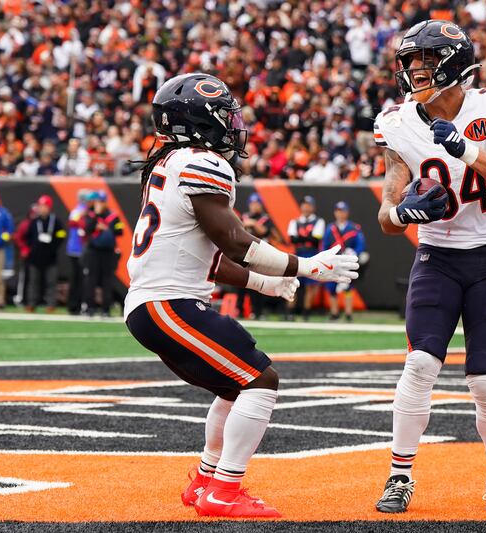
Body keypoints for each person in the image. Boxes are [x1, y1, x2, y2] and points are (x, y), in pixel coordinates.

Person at [124, 73, 357, 518]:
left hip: (160, 303)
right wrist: (306, 266)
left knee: (234, 387)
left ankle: (207, 482)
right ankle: (224, 492)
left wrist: (266, 283)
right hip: (167, 304)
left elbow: (202, 257)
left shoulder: (169, 164)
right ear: (199, 122)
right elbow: (235, 241)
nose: (233, 126)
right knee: (260, 380)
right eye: (224, 117)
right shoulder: (200, 163)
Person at [373, 20, 486, 513]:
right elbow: (385, 214)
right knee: (419, 365)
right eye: (411, 62)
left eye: (426, 60)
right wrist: (403, 213)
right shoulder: (398, 123)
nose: (415, 71)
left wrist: (464, 148)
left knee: (485, 378)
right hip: (437, 257)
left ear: (456, 62)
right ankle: (400, 475)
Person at [236, 193, 279, 320]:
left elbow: (264, 231)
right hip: (245, 253)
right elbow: (238, 230)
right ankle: (239, 309)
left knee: (258, 283)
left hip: (260, 254)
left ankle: (258, 311)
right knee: (240, 282)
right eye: (252, 203)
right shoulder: (244, 217)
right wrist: (247, 223)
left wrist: (253, 224)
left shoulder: (266, 218)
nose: (254, 206)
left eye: (257, 203)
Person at [323, 201, 366, 322]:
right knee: (332, 286)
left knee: (348, 285)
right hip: (334, 260)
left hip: (347, 261)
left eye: (343, 211)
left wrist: (354, 252)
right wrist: (326, 256)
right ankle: (334, 312)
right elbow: (325, 245)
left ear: (347, 213)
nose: (340, 214)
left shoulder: (354, 228)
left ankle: (348, 313)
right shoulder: (330, 228)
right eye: (338, 211)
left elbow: (360, 244)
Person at [82, 190, 123, 317]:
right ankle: (90, 308)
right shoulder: (90, 215)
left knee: (107, 281)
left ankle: (106, 309)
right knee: (91, 280)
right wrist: (96, 220)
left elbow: (119, 231)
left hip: (108, 252)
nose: (99, 204)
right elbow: (86, 229)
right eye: (97, 202)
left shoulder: (113, 216)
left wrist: (107, 228)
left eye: (101, 202)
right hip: (93, 251)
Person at [286, 195, 326, 320]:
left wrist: (302, 239)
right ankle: (290, 312)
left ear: (313, 207)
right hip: (298, 254)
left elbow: (315, 239)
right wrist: (307, 238)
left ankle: (306, 313)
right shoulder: (295, 221)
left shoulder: (319, 221)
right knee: (293, 283)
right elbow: (293, 239)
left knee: (310, 285)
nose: (306, 207)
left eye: (308, 205)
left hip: (312, 254)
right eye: (304, 204)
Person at [25, 195, 66, 312]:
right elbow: (28, 237)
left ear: (49, 207)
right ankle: (31, 303)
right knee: (33, 282)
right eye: (41, 206)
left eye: (45, 206)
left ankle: (51, 304)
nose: (42, 208)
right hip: (35, 257)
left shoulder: (55, 221)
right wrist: (32, 248)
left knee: (51, 282)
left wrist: (53, 246)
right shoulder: (34, 221)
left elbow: (62, 235)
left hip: (50, 257)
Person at [66, 190, 92, 315]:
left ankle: (74, 305)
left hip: (76, 248)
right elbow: (74, 223)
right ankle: (75, 305)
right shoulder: (79, 211)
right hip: (79, 249)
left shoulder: (78, 211)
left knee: (77, 278)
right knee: (80, 279)